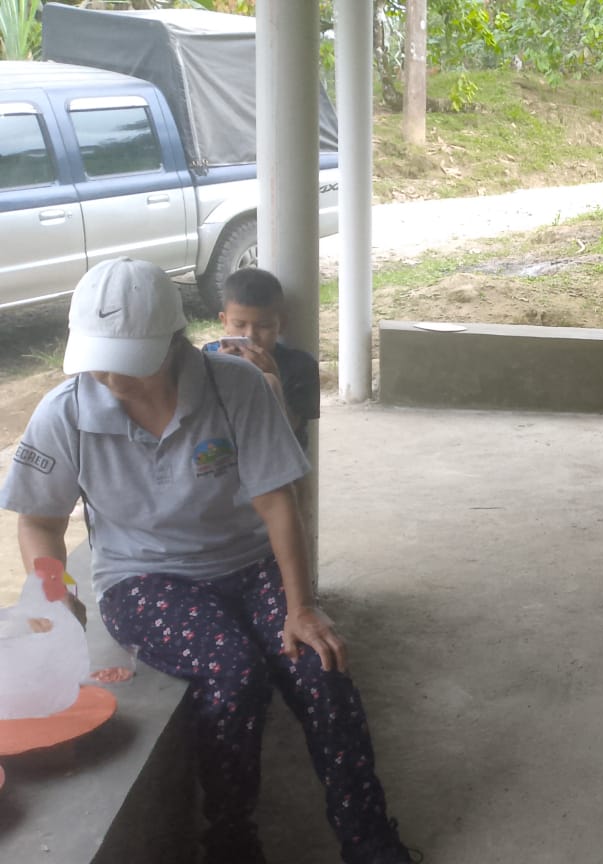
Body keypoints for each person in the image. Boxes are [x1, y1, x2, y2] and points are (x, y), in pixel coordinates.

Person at [0, 259, 415, 864]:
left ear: (175, 344)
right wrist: (53, 586)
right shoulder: (65, 412)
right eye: (98, 358)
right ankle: (230, 840)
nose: (110, 375)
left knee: (320, 667)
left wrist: (301, 607)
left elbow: (277, 502)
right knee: (233, 671)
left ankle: (369, 839)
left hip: (248, 562)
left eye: (127, 359)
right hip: (143, 579)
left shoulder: (236, 387)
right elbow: (39, 520)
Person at [202, 267, 322, 451]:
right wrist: (217, 372)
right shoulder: (209, 356)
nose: (250, 335)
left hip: (276, 455)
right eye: (239, 324)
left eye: (264, 325)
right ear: (224, 321)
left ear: (281, 324)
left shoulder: (300, 365)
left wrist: (274, 378)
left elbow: (292, 430)